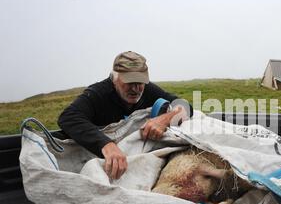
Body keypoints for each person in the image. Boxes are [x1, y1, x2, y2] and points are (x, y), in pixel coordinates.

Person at [58, 51, 191, 180]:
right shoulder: (97, 94)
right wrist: (106, 145)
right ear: (114, 78)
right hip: (99, 164)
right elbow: (69, 117)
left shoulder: (148, 90)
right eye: (129, 82)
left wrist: (165, 119)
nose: (135, 88)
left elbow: (184, 105)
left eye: (140, 82)